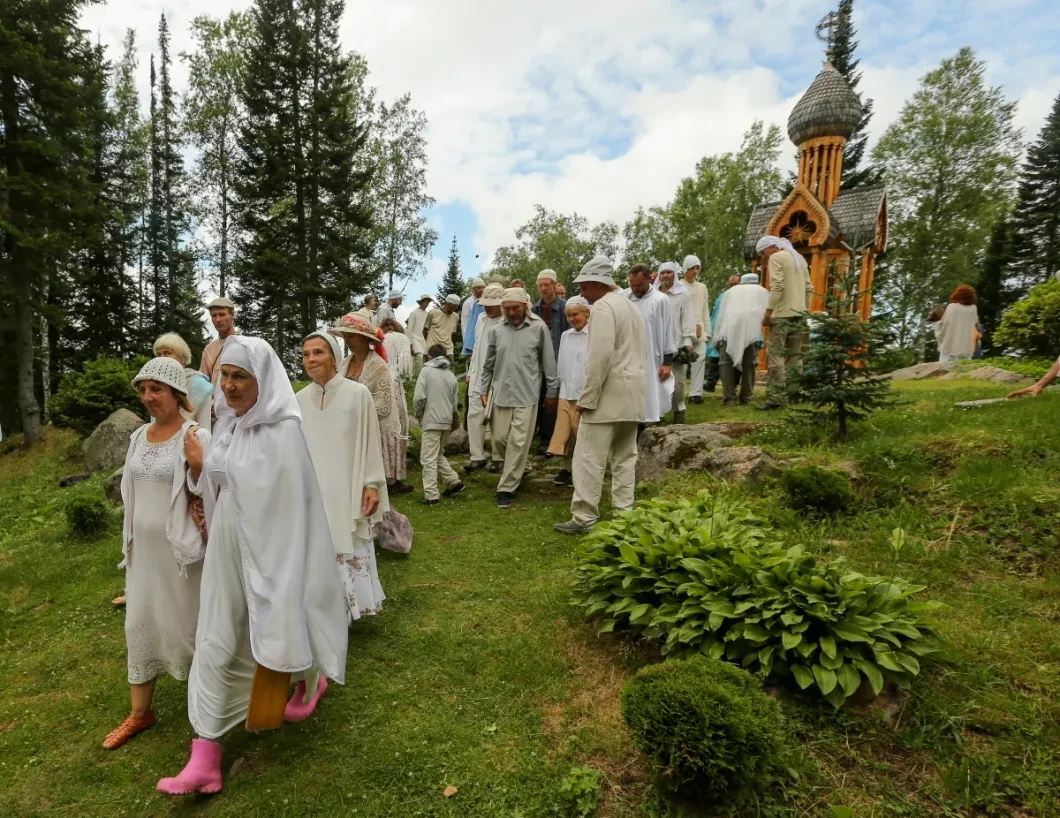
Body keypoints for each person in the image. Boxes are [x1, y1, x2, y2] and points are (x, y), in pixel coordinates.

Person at [159, 336, 346, 796]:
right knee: (217, 633)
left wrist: (209, 462)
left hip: (275, 551)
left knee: (282, 621)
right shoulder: (230, 424)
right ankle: (205, 753)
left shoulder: (282, 430)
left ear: (263, 381)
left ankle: (307, 681)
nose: (229, 385)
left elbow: (270, 495)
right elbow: (222, 481)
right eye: (224, 375)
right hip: (231, 546)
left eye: (240, 376)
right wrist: (207, 465)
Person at [103, 358, 211, 751]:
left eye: (156, 389)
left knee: (189, 628)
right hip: (142, 553)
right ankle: (139, 714)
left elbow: (212, 492)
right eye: (143, 390)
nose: (148, 397)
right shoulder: (137, 437)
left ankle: (209, 711)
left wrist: (200, 468)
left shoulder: (194, 435)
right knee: (139, 625)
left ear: (176, 393)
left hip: (181, 555)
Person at [297, 332, 388, 624]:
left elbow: (370, 440)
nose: (311, 359)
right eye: (306, 354)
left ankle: (351, 606)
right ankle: (323, 608)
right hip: (312, 489)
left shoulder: (357, 394)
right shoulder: (297, 401)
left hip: (347, 485)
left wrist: (371, 483)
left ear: (334, 357)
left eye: (318, 352)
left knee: (345, 538)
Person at [555, 257, 646, 535]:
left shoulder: (604, 307)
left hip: (608, 396)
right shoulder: (630, 306)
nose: (582, 293)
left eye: (584, 286)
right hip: (633, 396)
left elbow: (600, 356)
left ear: (597, 283)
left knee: (588, 457)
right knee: (624, 457)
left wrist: (587, 398)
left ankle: (584, 517)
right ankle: (624, 514)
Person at [476, 287, 558, 509]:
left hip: (527, 394)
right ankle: (523, 467)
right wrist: (483, 389)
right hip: (501, 392)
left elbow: (549, 363)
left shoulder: (538, 328)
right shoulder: (497, 330)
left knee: (518, 442)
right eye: (507, 308)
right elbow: (488, 364)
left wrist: (552, 392)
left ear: (524, 306)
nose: (511, 313)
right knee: (500, 439)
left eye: (515, 308)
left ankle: (506, 488)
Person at [332, 314, 413, 494]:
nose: (347, 340)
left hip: (369, 428)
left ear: (364, 338)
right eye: (345, 336)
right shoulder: (345, 363)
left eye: (351, 335)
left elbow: (383, 406)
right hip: (346, 428)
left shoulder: (378, 365)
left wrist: (355, 416)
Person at [756, 236, 812, 410]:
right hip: (800, 313)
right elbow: (809, 288)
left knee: (776, 356)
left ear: (770, 247)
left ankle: (777, 398)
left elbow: (778, 286)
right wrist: (805, 309)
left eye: (762, 252)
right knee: (795, 356)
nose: (763, 257)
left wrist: (768, 312)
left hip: (781, 314)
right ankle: (795, 393)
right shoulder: (799, 258)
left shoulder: (776, 257)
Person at [414, 344, 466, 504]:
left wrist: (418, 414)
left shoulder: (426, 371)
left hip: (431, 420)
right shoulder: (451, 375)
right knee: (437, 454)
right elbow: (454, 402)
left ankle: (431, 495)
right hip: (447, 421)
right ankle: (453, 481)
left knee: (427, 458)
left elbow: (419, 398)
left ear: (429, 356)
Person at [547, 297, 591, 487]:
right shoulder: (566, 335)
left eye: (576, 314)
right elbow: (561, 363)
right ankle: (565, 469)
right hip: (567, 390)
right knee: (564, 433)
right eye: (569, 316)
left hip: (585, 391)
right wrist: (556, 388)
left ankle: (580, 471)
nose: (573, 319)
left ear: (586, 314)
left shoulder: (594, 335)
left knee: (580, 434)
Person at [625, 263, 675, 425]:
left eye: (638, 285)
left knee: (652, 394)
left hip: (653, 357)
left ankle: (653, 422)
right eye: (632, 285)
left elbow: (669, 330)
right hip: (629, 357)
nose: (635, 289)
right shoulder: (625, 299)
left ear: (649, 279)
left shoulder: (660, 300)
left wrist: (667, 362)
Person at [464, 283, 505, 473]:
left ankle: (498, 456)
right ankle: (477, 456)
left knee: (496, 418)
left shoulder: (506, 322)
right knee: (474, 416)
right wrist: (471, 374)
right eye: (485, 304)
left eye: (491, 304)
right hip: (478, 375)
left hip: (497, 377)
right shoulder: (480, 319)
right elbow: (477, 348)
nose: (487, 308)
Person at [712, 273, 769, 405]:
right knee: (749, 364)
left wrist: (716, 336)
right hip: (750, 333)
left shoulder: (730, 292)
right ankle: (746, 397)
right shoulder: (762, 291)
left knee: (726, 364)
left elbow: (720, 314)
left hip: (727, 331)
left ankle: (729, 397)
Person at [532, 269, 569, 455]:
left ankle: (551, 441)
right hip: (537, 363)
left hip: (558, 361)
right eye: (541, 285)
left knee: (552, 402)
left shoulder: (565, 308)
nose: (544, 288)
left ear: (555, 285)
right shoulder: (534, 310)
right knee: (538, 398)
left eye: (547, 284)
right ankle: (540, 438)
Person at [658, 262, 696, 423]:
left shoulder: (683, 294)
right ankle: (657, 414)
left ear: (674, 275)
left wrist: (688, 341)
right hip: (656, 344)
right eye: (663, 273)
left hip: (677, 343)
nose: (665, 275)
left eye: (669, 272)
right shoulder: (653, 294)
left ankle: (679, 411)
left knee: (678, 382)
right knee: (657, 381)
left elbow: (687, 318)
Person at [153, 333, 214, 430]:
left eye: (167, 353)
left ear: (182, 357)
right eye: (159, 354)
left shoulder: (199, 385)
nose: (162, 358)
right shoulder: (157, 385)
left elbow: (205, 428)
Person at [704, 276, 741, 393]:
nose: (733, 287)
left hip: (736, 332)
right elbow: (716, 313)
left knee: (735, 359)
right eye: (731, 284)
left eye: (735, 284)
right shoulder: (723, 296)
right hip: (720, 331)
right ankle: (711, 383)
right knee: (714, 358)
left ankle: (733, 385)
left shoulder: (742, 296)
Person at [682, 256, 711, 404]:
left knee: (699, 360)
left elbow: (704, 309)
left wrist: (707, 330)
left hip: (700, 330)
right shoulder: (679, 286)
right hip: (683, 331)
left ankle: (696, 393)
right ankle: (677, 393)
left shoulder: (702, 287)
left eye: (697, 268)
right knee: (680, 363)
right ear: (685, 269)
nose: (695, 271)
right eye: (692, 268)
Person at [199, 297, 239, 393]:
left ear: (232, 315)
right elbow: (202, 382)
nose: (218, 319)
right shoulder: (209, 350)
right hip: (214, 406)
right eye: (214, 316)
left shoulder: (244, 345)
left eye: (222, 314)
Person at [936, 285, 980, 363]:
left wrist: (937, 325)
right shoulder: (973, 308)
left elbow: (945, 325)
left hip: (950, 348)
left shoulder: (952, 307)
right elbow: (974, 325)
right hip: (966, 348)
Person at [425, 294, 461, 359]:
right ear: (446, 303)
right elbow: (425, 329)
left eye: (455, 308)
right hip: (433, 350)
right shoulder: (433, 313)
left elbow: (451, 333)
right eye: (451, 308)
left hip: (448, 351)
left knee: (449, 368)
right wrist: (427, 345)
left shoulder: (456, 317)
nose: (452, 310)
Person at [406, 294, 432, 377]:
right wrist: (410, 342)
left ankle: (424, 377)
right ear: (421, 303)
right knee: (419, 358)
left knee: (426, 359)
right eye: (424, 302)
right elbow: (409, 329)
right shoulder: (414, 313)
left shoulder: (428, 314)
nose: (426, 304)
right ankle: (416, 378)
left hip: (424, 339)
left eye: (427, 303)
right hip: (415, 339)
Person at [381, 319, 414, 384]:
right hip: (396, 379)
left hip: (381, 377)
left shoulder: (381, 338)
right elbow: (405, 365)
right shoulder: (404, 338)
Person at [461, 278, 486, 347]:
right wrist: (466, 343)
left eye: (483, 287)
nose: (481, 289)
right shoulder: (468, 303)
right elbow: (465, 323)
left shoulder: (487, 301)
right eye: (479, 287)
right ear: (473, 289)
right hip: (472, 336)